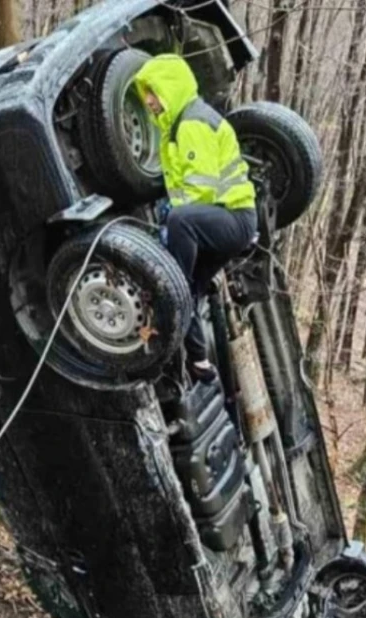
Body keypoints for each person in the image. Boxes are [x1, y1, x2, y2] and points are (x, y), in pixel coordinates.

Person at [134, 53, 257, 383]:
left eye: (152, 92)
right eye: (145, 94)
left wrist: (170, 223)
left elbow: (201, 189)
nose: (148, 101)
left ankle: (166, 316)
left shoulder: (192, 123)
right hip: (222, 221)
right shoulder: (176, 125)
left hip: (233, 219)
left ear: (170, 89)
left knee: (178, 247)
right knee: (190, 289)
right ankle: (198, 361)